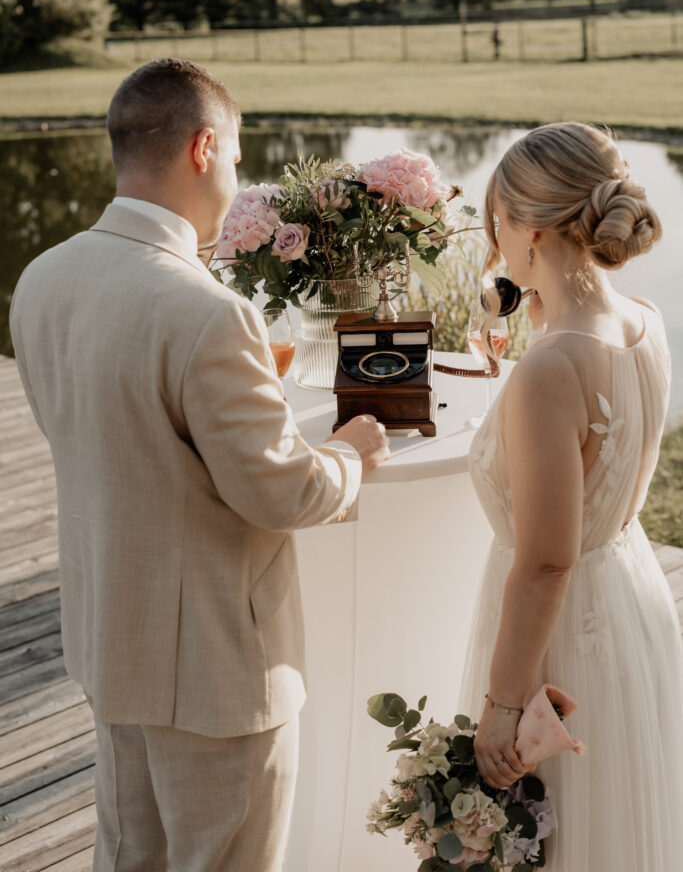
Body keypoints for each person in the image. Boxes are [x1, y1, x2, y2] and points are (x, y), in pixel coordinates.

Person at [9, 58, 389, 872]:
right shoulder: (205, 311)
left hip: (111, 639)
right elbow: (279, 492)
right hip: (216, 671)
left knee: (127, 859)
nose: (240, 174)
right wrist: (350, 455)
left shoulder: (41, 278)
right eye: (241, 155)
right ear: (204, 147)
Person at [459, 121, 683, 870]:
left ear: (527, 230)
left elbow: (547, 561)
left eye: (496, 221)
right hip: (631, 599)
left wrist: (498, 708)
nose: (493, 240)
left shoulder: (549, 370)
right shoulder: (644, 322)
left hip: (561, 641)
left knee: (555, 839)